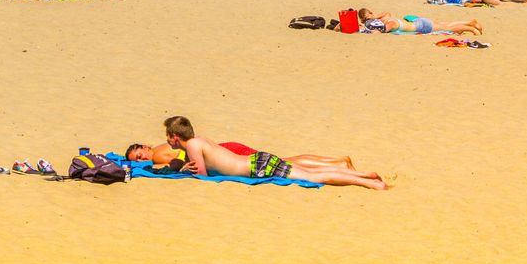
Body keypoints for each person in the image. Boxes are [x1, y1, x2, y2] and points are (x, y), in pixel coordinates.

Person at [160, 116, 388, 190]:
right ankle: (365, 175)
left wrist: (183, 169)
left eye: (168, 136)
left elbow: (201, 175)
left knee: (313, 177)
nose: (167, 140)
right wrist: (181, 166)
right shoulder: (200, 141)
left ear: (175, 137)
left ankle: (370, 183)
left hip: (258, 167)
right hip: (258, 161)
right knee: (308, 171)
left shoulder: (191, 146)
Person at [125, 141, 361, 175]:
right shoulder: (167, 143)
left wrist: (154, 165)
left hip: (228, 154)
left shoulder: (157, 152)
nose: (140, 160)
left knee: (285, 162)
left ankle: (337, 163)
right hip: (224, 149)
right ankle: (336, 162)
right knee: (283, 160)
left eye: (138, 155)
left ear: (144, 147)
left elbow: (173, 164)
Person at [358, 7, 481, 35]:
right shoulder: (386, 18)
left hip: (421, 27)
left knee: (447, 28)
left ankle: (470, 28)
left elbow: (386, 28)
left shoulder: (390, 22)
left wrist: (373, 24)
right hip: (419, 21)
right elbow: (386, 13)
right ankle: (469, 22)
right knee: (445, 24)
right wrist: (374, 17)